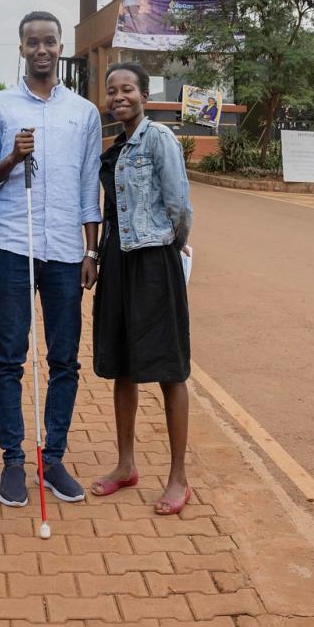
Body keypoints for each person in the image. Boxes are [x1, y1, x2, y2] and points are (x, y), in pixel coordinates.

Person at [0, 11, 102, 508]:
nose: (42, 50)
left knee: (65, 358)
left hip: (67, 253)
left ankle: (53, 458)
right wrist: (11, 157)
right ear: (22, 48)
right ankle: (13, 459)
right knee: (9, 356)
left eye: (50, 42)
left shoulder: (84, 112)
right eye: (33, 43)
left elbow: (88, 185)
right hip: (13, 244)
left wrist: (91, 248)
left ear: (61, 48)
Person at [90, 61, 194, 515]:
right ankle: (125, 465)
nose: (119, 97)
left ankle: (178, 477)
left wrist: (173, 248)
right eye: (112, 91)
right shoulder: (114, 146)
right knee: (122, 367)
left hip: (154, 262)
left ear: (144, 96)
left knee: (170, 369)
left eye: (127, 89)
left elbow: (179, 205)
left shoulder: (160, 139)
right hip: (117, 261)